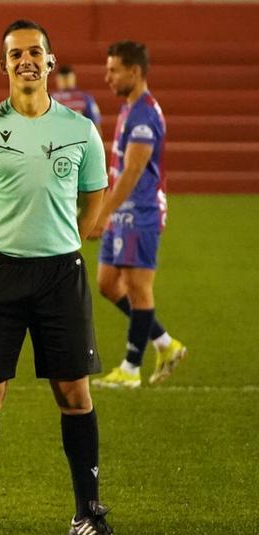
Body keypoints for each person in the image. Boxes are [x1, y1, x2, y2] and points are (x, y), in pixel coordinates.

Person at [0, 19, 122, 535]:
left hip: (60, 276)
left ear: (50, 61)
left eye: (35, 52)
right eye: (16, 53)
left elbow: (93, 199)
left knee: (75, 392)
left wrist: (66, 240)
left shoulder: (80, 130)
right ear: (3, 64)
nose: (26, 60)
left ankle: (87, 515)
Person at [91, 40, 187, 388]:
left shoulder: (145, 115)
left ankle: (130, 369)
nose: (107, 77)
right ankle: (164, 342)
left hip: (140, 212)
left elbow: (133, 171)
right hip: (122, 212)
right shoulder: (130, 107)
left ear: (134, 71)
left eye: (113, 71)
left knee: (137, 288)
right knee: (107, 283)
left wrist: (103, 213)